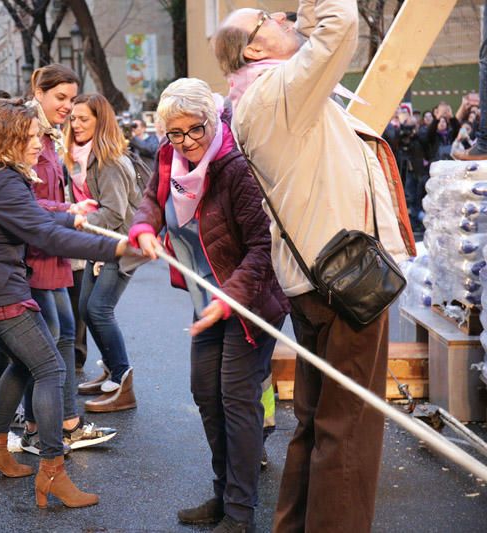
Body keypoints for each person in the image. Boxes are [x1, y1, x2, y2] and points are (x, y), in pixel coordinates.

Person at [214, 2, 415, 531]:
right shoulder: (276, 91)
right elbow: (339, 26)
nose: (284, 20)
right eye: (270, 20)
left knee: (317, 421)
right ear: (253, 48)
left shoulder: (262, 95)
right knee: (348, 428)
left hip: (318, 279)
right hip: (343, 281)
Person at [0, 98, 128, 508]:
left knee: (22, 363)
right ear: (6, 138)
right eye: (29, 137)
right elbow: (44, 237)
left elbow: (32, 217)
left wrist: (68, 215)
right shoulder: (3, 180)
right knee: (48, 367)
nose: (38, 144)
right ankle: (52, 471)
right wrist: (116, 250)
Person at [128, 78, 288, 532]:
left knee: (237, 400)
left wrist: (230, 299)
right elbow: (151, 203)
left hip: (248, 303)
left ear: (212, 120)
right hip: (207, 300)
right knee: (206, 392)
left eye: (194, 129)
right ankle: (222, 495)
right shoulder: (170, 159)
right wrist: (143, 228)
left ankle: (240, 513)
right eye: (175, 133)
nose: (186, 142)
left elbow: (262, 249)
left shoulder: (235, 166)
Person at [20, 64, 115, 453]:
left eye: (72, 99)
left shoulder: (47, 134)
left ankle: (47, 425)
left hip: (52, 250)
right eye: (60, 97)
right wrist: (66, 211)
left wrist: (68, 207)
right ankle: (45, 427)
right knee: (47, 347)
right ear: (39, 93)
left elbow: (38, 195)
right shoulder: (28, 133)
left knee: (55, 341)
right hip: (39, 252)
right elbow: (21, 199)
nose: (67, 106)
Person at [65, 93, 141, 413]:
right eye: (74, 118)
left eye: (84, 119)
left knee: (98, 309)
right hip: (100, 243)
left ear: (101, 121)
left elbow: (114, 213)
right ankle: (111, 370)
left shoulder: (107, 160)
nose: (76, 124)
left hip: (121, 245)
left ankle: (123, 380)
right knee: (85, 307)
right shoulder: (83, 156)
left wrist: (73, 222)